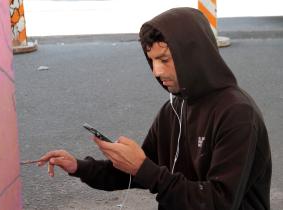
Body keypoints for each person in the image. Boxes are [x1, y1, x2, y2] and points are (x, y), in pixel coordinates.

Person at [38, 7, 272, 210]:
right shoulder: (173, 108)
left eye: (165, 59)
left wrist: (144, 169)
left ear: (192, 56)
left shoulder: (237, 114)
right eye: (152, 61)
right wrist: (79, 167)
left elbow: (219, 202)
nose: (156, 72)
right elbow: (140, 172)